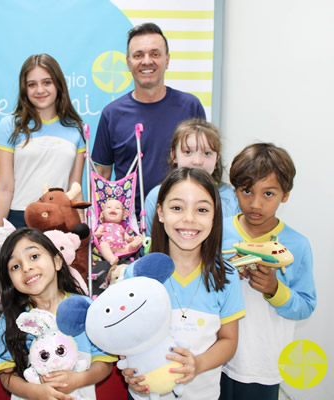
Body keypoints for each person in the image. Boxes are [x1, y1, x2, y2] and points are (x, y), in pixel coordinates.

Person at [123, 168, 245, 400]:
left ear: (214, 216)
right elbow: (125, 338)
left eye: (201, 210)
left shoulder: (226, 276)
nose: (189, 218)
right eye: (177, 208)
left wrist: (198, 364)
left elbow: (229, 341)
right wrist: (129, 370)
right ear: (160, 212)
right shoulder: (136, 274)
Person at [219, 143, 316, 400]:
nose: (255, 203)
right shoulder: (217, 230)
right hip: (214, 356)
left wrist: (274, 289)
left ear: (285, 195)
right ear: (235, 189)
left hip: (262, 364)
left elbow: (306, 306)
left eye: (269, 194)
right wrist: (225, 275)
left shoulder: (297, 244)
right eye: (246, 191)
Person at [92, 23, 206, 216]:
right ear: (128, 63)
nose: (147, 61)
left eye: (155, 54)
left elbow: (203, 166)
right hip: (128, 225)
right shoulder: (112, 114)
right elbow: (102, 177)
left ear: (167, 60)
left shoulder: (190, 106)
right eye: (138, 55)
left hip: (181, 220)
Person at [0, 227, 116, 399]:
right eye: (15, 266)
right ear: (10, 280)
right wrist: (34, 392)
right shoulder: (13, 319)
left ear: (57, 261)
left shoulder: (84, 307)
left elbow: (104, 361)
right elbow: (6, 375)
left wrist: (80, 379)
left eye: (34, 256)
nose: (26, 268)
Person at [0, 54, 86, 228]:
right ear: (24, 89)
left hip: (62, 221)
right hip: (19, 219)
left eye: (47, 82)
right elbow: (4, 187)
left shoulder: (75, 130)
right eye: (32, 84)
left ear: (58, 84)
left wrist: (82, 233)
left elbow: (76, 189)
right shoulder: (10, 125)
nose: (40, 90)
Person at [145, 119, 240, 233]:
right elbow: (148, 244)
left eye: (207, 153)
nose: (197, 161)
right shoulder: (156, 196)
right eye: (188, 152)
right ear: (174, 155)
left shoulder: (232, 197)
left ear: (217, 159)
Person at [94, 198, 144, 265]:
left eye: (117, 208)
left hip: (120, 246)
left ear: (123, 216)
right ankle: (111, 259)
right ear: (102, 214)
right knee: (103, 245)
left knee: (128, 247)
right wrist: (98, 233)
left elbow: (126, 237)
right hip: (108, 245)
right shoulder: (103, 226)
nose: (113, 209)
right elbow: (97, 233)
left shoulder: (121, 228)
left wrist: (130, 239)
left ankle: (133, 245)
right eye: (109, 207)